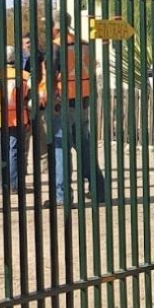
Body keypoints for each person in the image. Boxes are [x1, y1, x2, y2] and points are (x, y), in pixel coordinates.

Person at [42, 25, 109, 206]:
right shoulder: (85, 45)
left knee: (60, 149)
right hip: (83, 102)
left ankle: (62, 195)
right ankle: (99, 189)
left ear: (55, 27)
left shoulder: (56, 47)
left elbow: (50, 77)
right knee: (85, 146)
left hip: (62, 104)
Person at [0, 46, 31, 195]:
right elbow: (28, 98)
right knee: (15, 150)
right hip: (19, 117)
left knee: (3, 151)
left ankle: (4, 185)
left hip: (0, 117)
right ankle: (14, 185)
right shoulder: (24, 75)